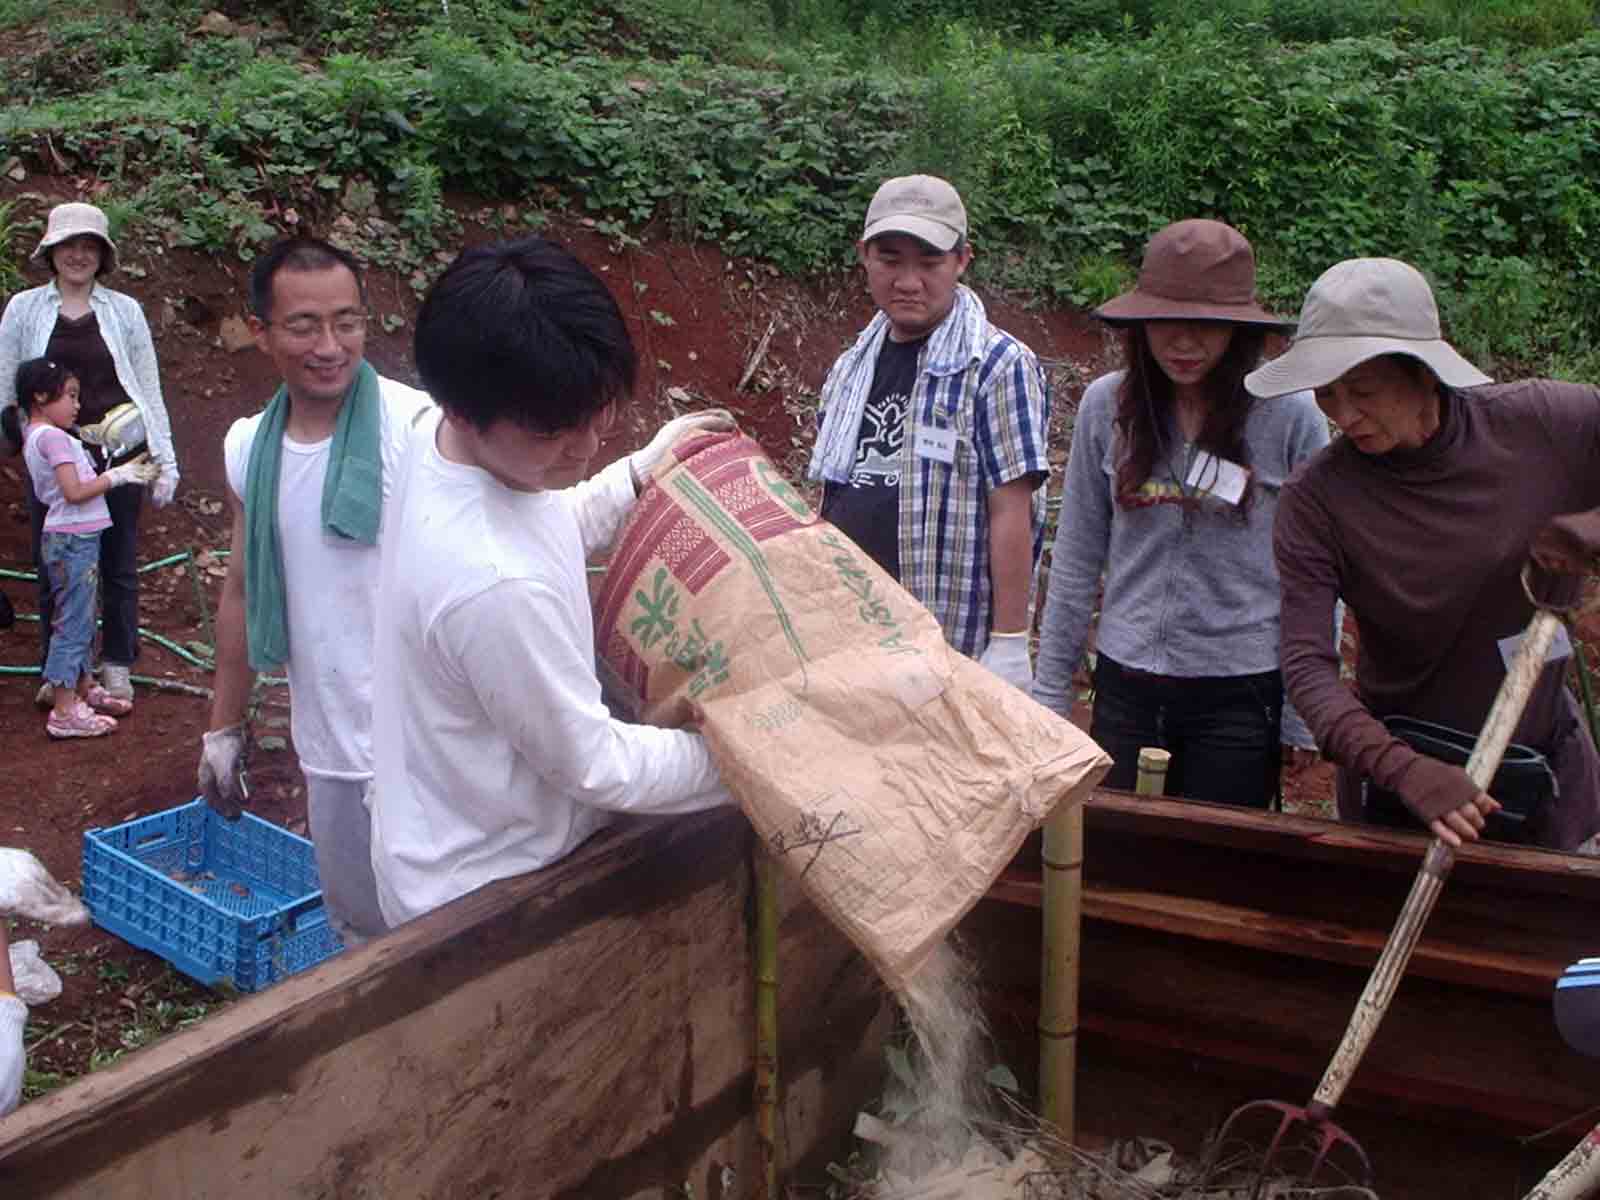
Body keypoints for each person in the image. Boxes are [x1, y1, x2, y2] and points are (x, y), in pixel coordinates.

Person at [368, 236, 736, 928]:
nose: (585, 447)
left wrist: (632, 475)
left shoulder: (439, 443)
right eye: (553, 433)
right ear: (464, 411)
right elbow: (595, 764)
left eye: (596, 418)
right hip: (485, 892)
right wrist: (750, 763)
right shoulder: (492, 585)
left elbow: (539, 521)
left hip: (457, 822)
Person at [1253, 257, 1600, 850]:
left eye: (1362, 391)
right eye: (1327, 394)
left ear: (1424, 375)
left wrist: (1592, 528)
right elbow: (1309, 670)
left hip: (1544, 773)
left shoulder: (1543, 424)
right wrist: (1403, 769)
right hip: (1401, 783)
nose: (1342, 415)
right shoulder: (1317, 500)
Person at [1030, 220, 1328, 807]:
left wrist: (1301, 710)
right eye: (1166, 323)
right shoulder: (1108, 407)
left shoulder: (1290, 418)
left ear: (1239, 330)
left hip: (1240, 689)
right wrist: (1049, 689)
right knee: (1122, 856)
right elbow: (1077, 555)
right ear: (1140, 326)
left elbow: (1316, 574)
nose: (1183, 343)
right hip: (1126, 681)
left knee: (1216, 868)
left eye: (1206, 326)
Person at [197, 237, 432, 943]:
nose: (330, 345)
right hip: (329, 745)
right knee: (361, 935)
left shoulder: (416, 428)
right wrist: (223, 727)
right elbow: (240, 585)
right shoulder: (249, 448)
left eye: (348, 321)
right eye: (304, 326)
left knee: (449, 934)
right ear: (261, 332)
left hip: (427, 744)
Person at [806, 175, 1050, 690]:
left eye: (929, 262)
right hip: (849, 630)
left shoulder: (997, 366)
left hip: (945, 637)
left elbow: (1012, 507)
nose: (908, 281)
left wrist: (1009, 640)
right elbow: (830, 495)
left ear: (962, 261)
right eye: (891, 259)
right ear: (864, 257)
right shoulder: (852, 366)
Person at [0, 202, 180, 710]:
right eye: (68, 245)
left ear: (102, 255)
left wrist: (164, 461)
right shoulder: (25, 309)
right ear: (51, 251)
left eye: (89, 246)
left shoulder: (124, 312)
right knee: (54, 562)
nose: (78, 255)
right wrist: (21, 441)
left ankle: (117, 663)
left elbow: (148, 387)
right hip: (55, 458)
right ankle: (59, 668)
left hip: (120, 453)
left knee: (118, 562)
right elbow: (7, 378)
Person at [11, 358, 159, 738]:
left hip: (68, 538)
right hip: (74, 539)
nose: (77, 405)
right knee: (74, 625)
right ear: (41, 397)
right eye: (70, 396)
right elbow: (74, 492)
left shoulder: (38, 435)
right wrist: (118, 475)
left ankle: (82, 688)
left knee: (75, 615)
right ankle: (64, 712)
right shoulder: (55, 439)